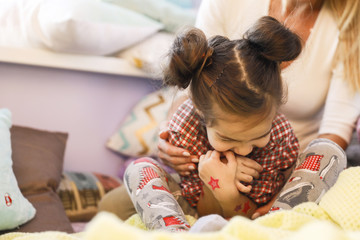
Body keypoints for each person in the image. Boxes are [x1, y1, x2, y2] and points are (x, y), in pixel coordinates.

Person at [157, 0, 360, 219]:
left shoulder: (351, 26)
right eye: (228, 139)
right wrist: (172, 136)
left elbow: (336, 128)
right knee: (135, 180)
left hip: (293, 168)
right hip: (205, 150)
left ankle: (282, 210)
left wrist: (288, 191)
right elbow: (193, 81)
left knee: (331, 156)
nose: (244, 151)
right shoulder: (227, 4)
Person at [122, 16, 302, 232]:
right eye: (228, 138)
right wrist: (210, 180)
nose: (245, 149)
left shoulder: (279, 136)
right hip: (193, 208)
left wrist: (227, 192)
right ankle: (175, 234)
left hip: (251, 215)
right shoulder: (186, 127)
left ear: (274, 113)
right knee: (136, 173)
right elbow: (199, 211)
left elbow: (252, 217)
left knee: (327, 150)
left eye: (258, 137)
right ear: (200, 112)